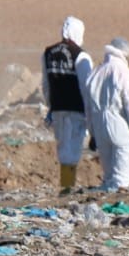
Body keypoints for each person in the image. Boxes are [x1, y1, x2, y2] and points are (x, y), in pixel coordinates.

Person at [85, 37, 129, 190]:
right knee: (123, 177)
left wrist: (92, 132)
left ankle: (104, 202)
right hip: (120, 125)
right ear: (124, 54)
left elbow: (89, 108)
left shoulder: (95, 73)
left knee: (109, 173)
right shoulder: (125, 74)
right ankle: (117, 205)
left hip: (99, 126)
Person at [41, 16, 93, 192]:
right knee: (73, 148)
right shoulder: (80, 55)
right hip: (76, 109)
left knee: (63, 147)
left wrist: (51, 106)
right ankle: (68, 186)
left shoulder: (48, 53)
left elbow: (46, 84)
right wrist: (89, 112)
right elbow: (87, 87)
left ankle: (66, 184)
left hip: (57, 109)